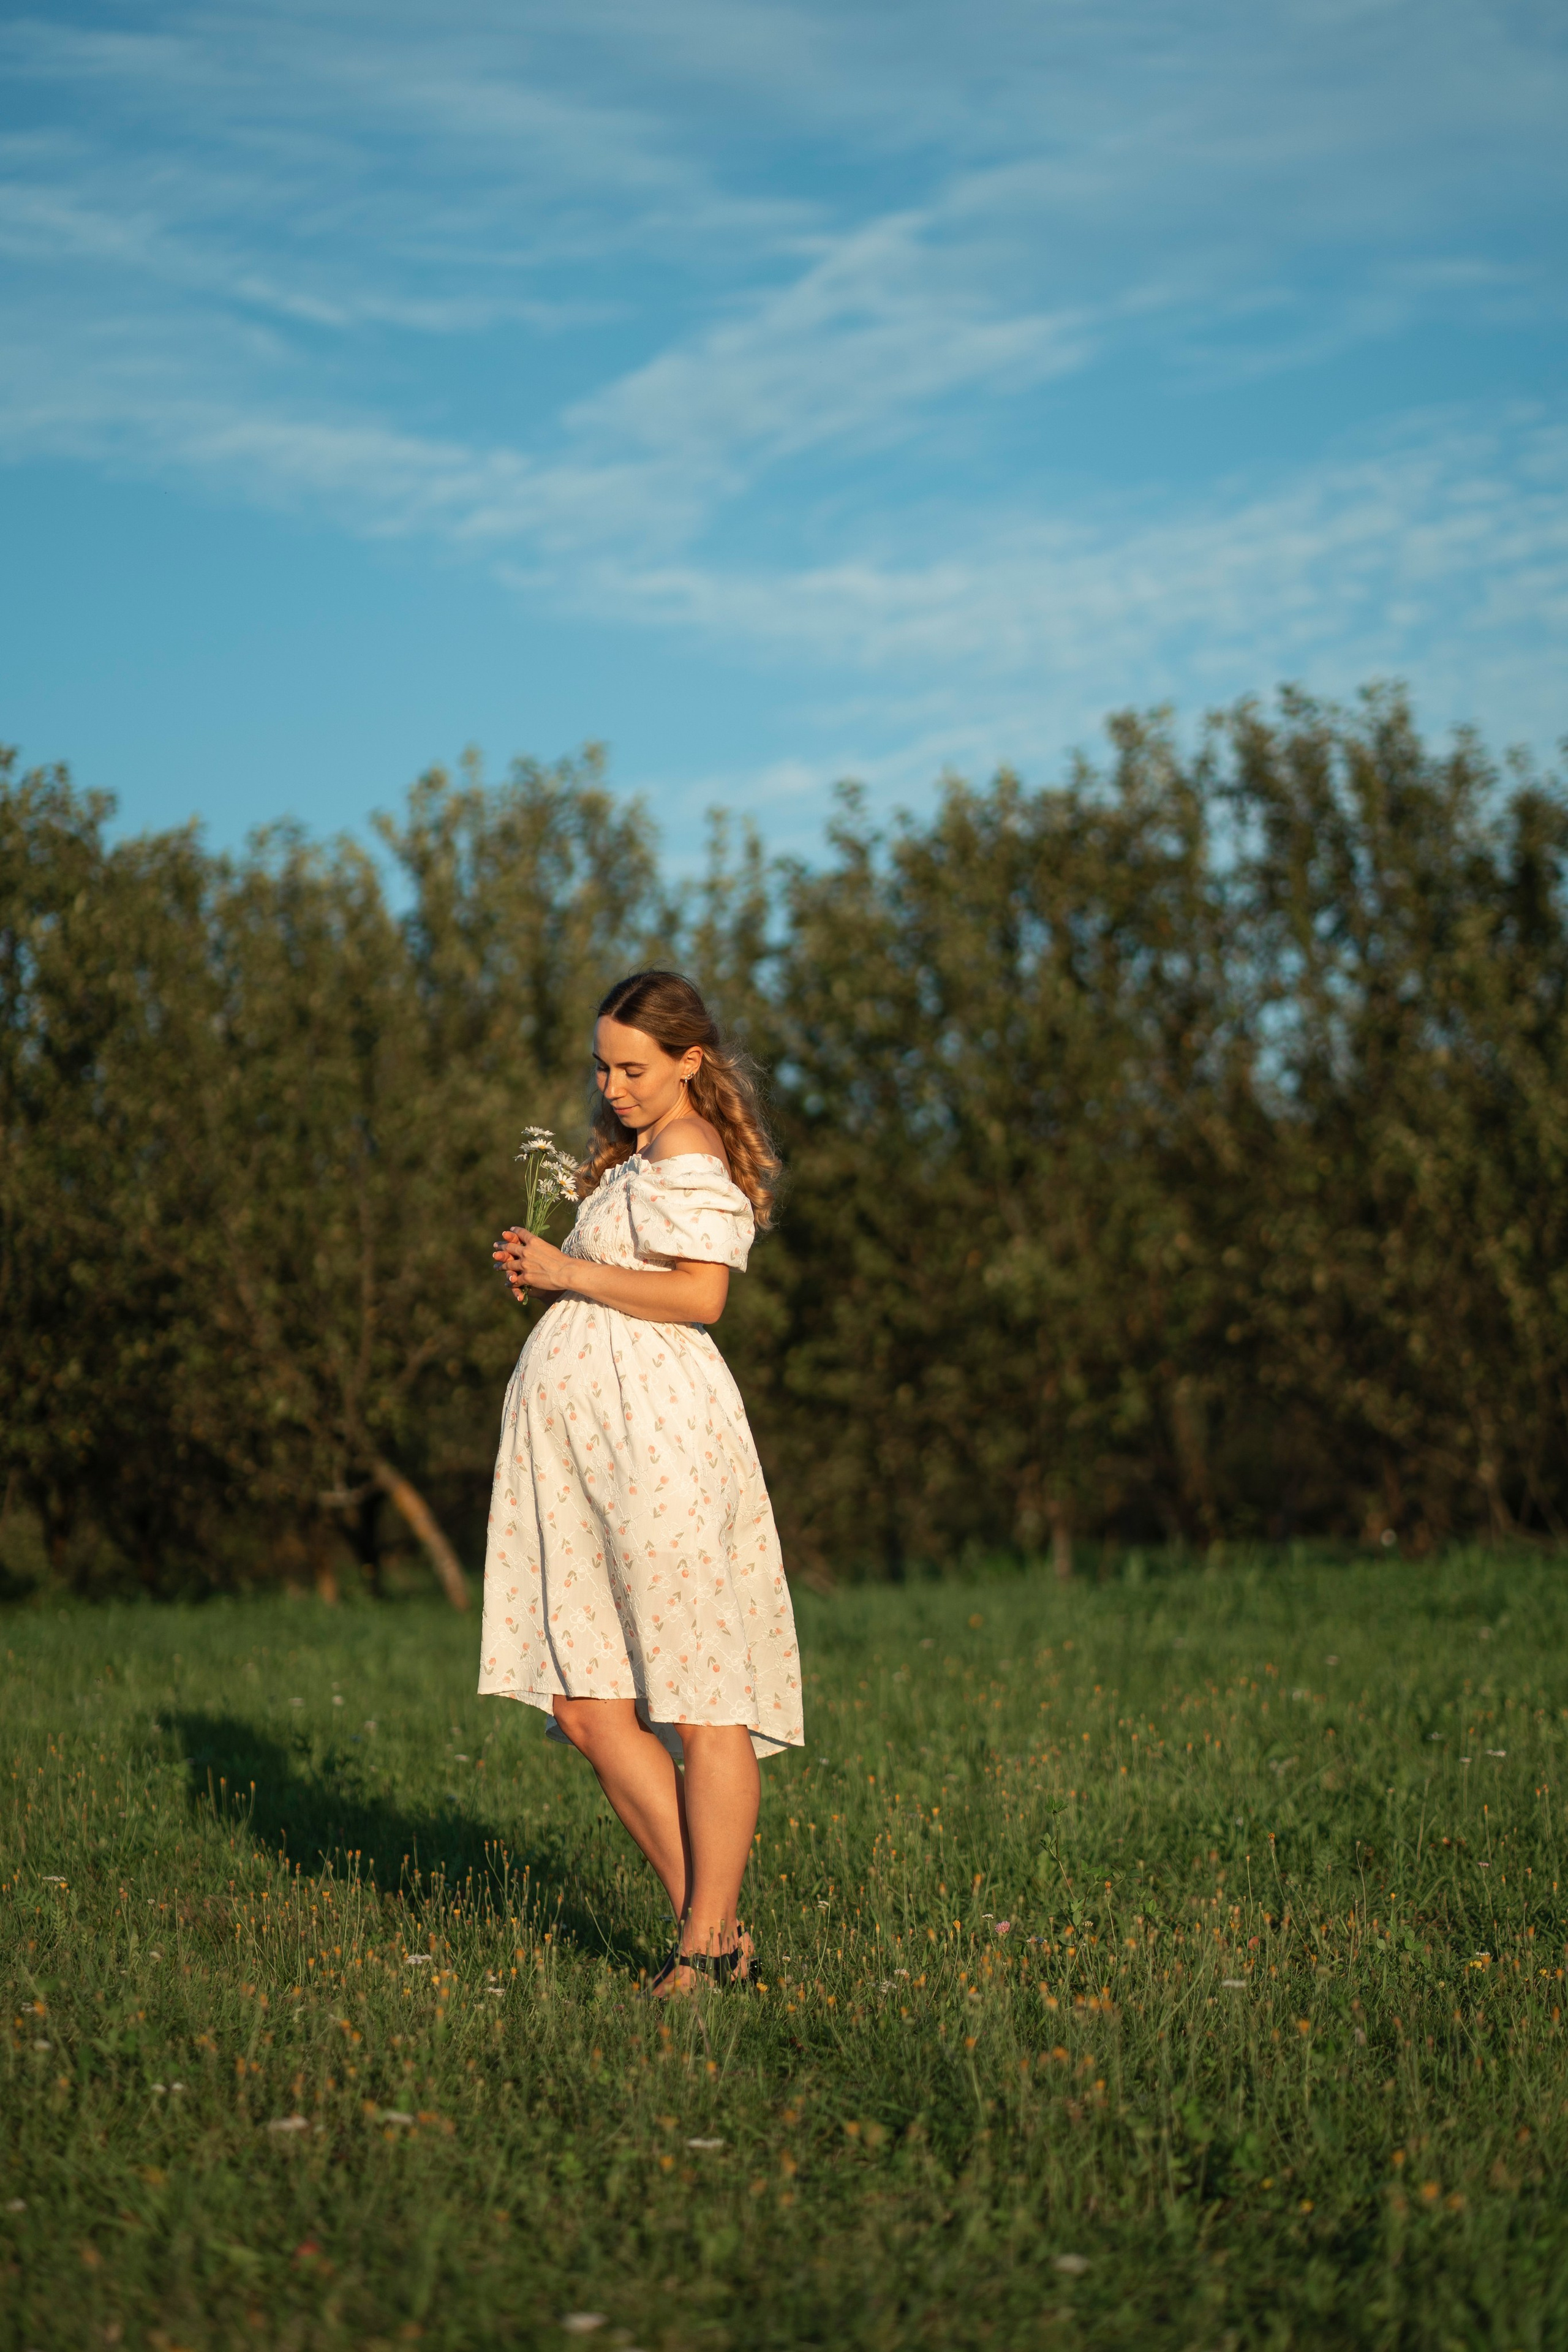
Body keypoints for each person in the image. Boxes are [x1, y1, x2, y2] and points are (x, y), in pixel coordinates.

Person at [480, 970, 803, 1994]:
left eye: (635, 1067)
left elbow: (700, 1297)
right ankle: (717, 1932)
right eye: (604, 1067)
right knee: (585, 1706)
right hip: (590, 1456)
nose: (614, 1086)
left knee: (702, 1699)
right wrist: (547, 1273)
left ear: (688, 1062)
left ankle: (703, 1950)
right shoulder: (629, 1164)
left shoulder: (693, 1156)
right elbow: (625, 1291)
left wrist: (571, 1275)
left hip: (659, 1448)